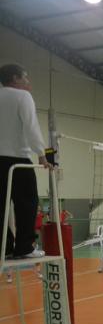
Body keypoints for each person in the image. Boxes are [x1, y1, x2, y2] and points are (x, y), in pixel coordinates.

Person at [0, 64, 51, 259]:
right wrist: (42, 154)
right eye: (25, 78)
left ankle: (5, 248)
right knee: (27, 203)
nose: (28, 82)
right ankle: (24, 247)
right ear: (15, 78)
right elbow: (32, 127)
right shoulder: (23, 96)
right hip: (18, 161)